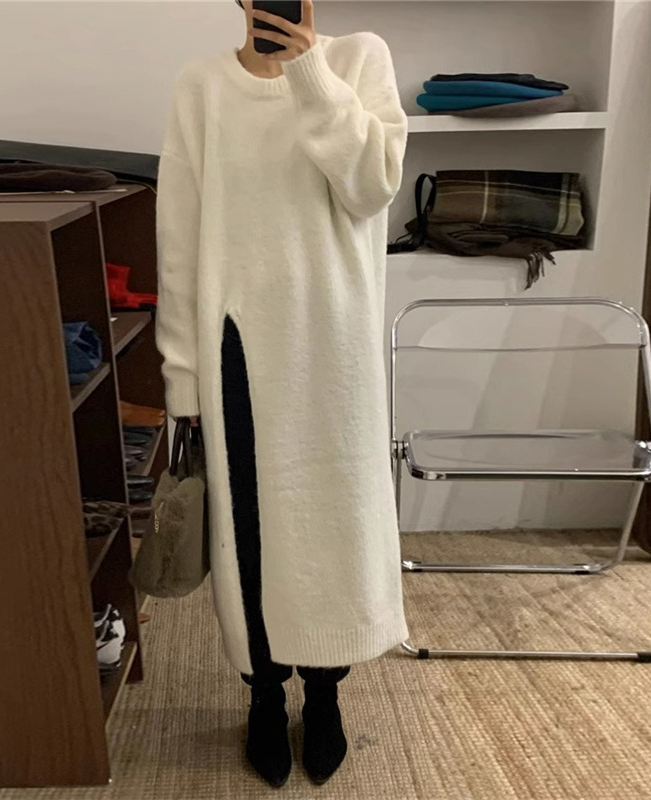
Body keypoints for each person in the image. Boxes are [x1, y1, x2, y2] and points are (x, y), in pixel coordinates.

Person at [155, 0, 409, 787]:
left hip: (333, 348)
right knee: (250, 531)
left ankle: (325, 693)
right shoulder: (201, 86)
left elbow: (373, 186)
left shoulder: (359, 58)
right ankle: (264, 695)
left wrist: (311, 74)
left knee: (331, 526)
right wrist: (181, 374)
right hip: (234, 340)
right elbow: (178, 234)